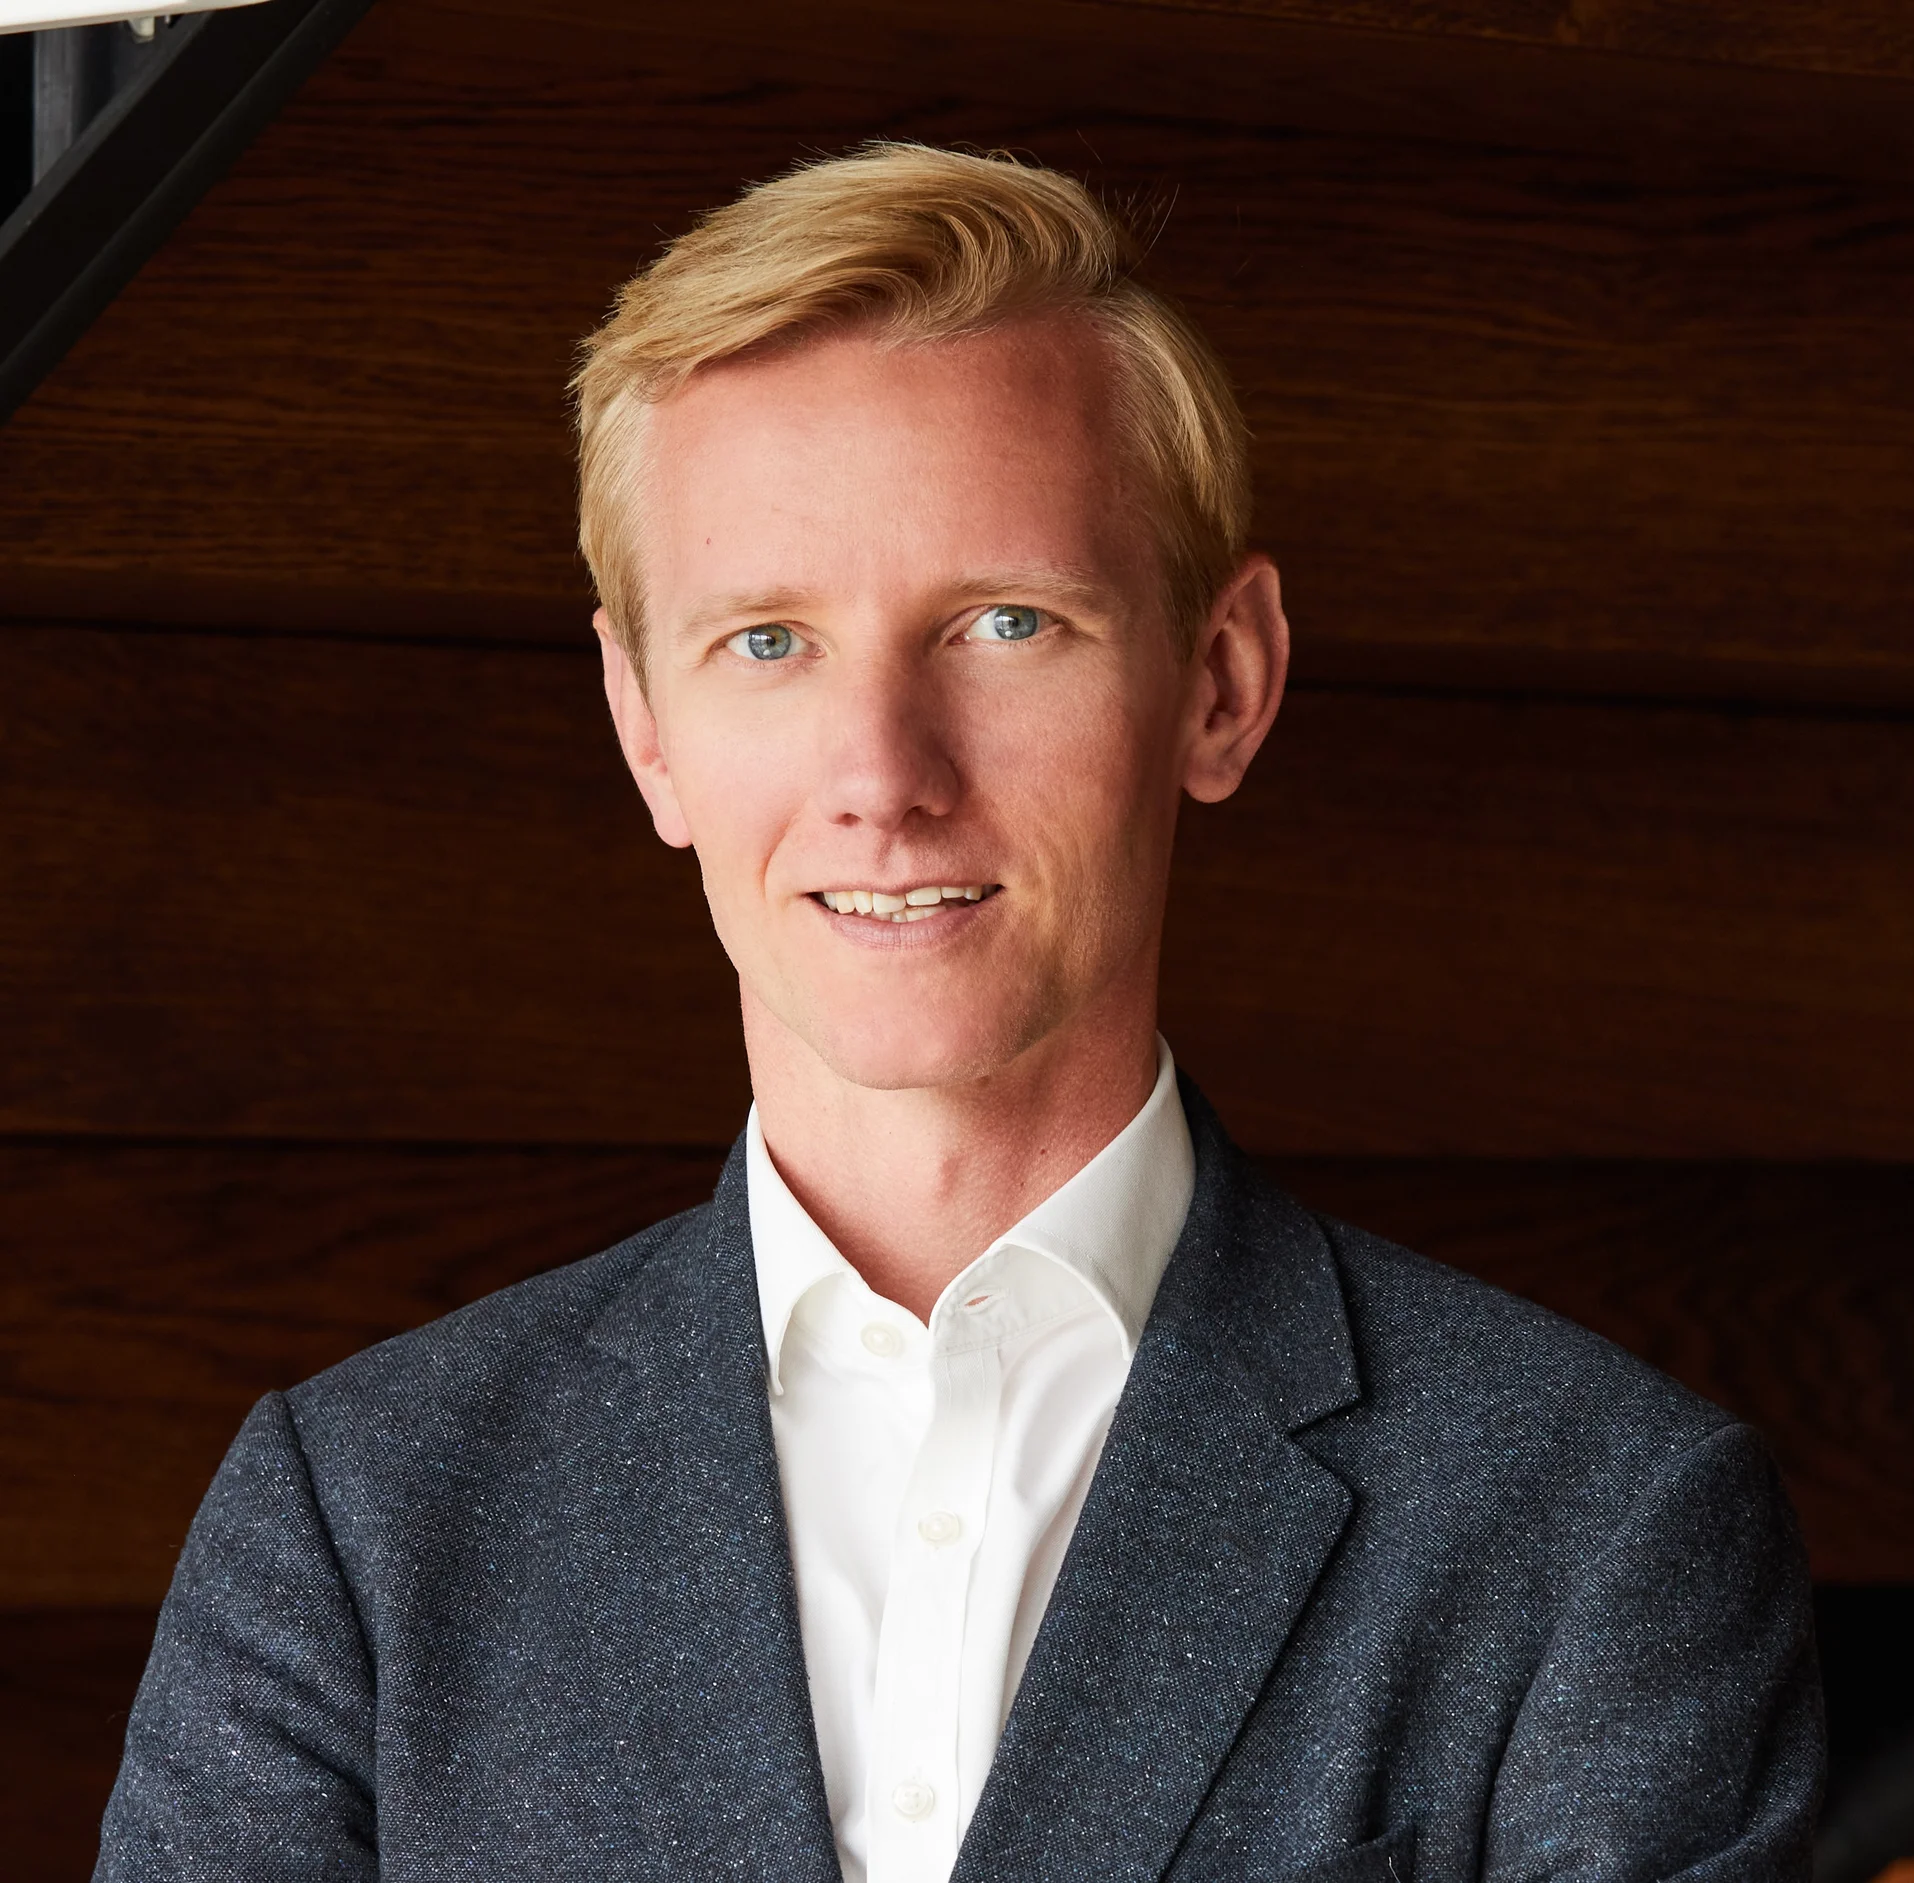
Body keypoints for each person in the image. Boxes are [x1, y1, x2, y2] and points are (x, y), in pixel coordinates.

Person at [96, 143, 1821, 1883]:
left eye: (1005, 624)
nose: (882, 779)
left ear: (1221, 683)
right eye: (767, 641)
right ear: (644, 724)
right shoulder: (357, 1519)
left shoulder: (1598, 1523)